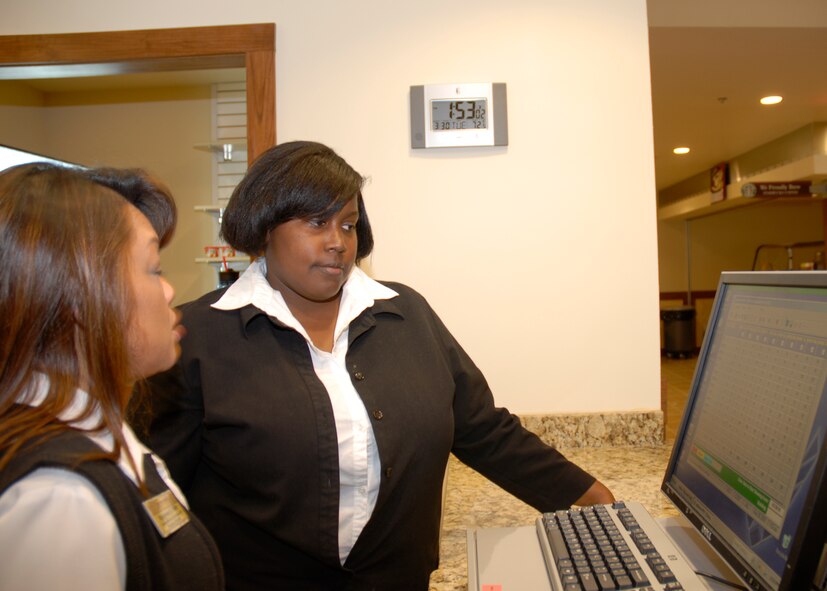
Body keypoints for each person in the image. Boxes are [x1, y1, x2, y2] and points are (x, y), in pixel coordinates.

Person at [141, 140, 614, 590]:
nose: (337, 243)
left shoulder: (405, 313)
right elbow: (158, 488)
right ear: (265, 228)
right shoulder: (197, 336)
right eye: (315, 223)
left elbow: (483, 430)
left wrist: (596, 502)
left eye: (347, 225)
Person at [0, 163, 224, 591]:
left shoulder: (102, 436)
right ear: (80, 294)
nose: (170, 291)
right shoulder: (59, 498)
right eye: (154, 270)